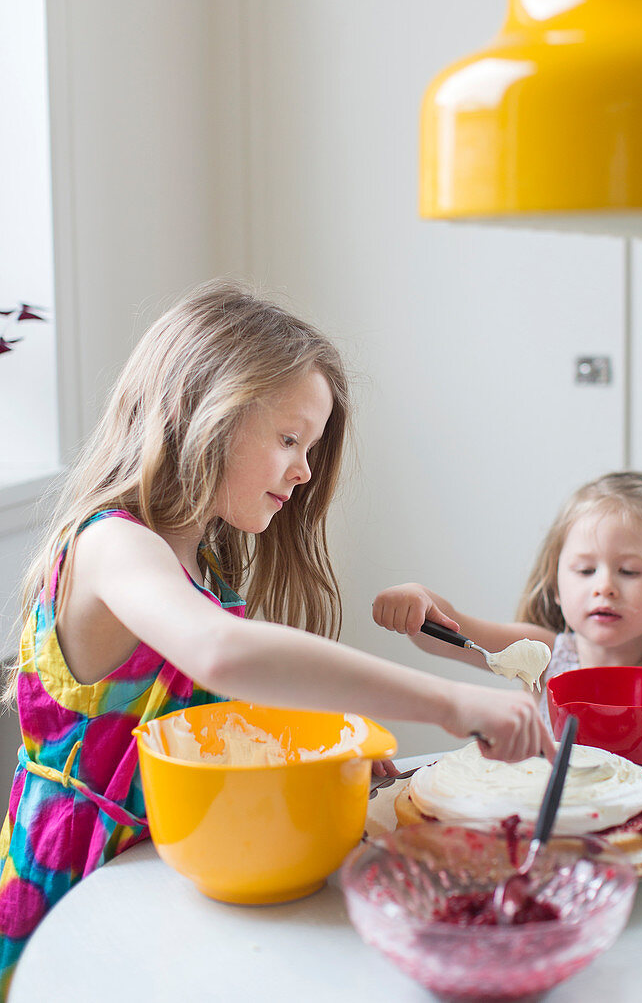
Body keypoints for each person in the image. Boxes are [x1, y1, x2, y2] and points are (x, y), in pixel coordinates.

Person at [0, 280, 553, 995]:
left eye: (311, 447)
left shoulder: (203, 561)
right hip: (75, 884)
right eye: (288, 439)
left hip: (170, 873)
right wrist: (450, 702)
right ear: (204, 414)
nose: (303, 470)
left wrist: (322, 769)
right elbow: (224, 657)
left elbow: (202, 728)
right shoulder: (114, 546)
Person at [373, 471, 642, 733]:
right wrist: (419, 600)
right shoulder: (543, 654)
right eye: (585, 570)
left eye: (628, 571)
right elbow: (446, 635)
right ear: (557, 586)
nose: (604, 587)